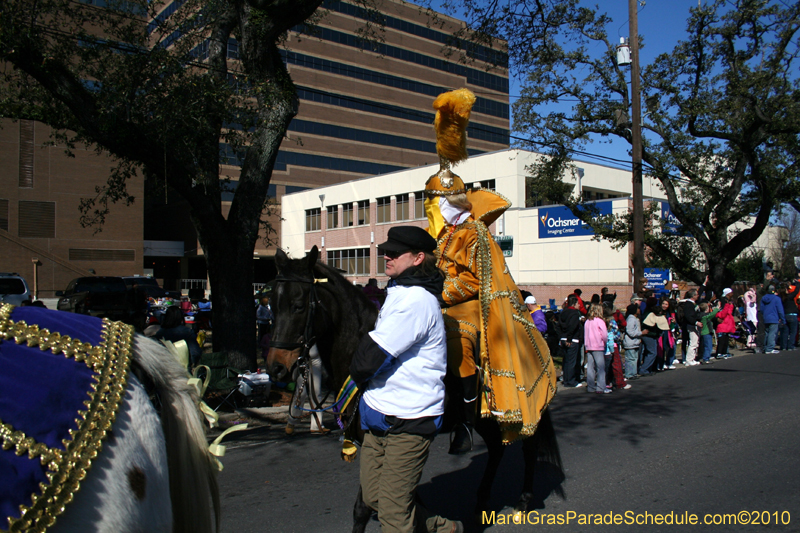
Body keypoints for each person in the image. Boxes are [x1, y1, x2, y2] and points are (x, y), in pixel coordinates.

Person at [424, 88, 556, 452]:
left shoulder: (472, 232)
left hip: (467, 303)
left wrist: (441, 293)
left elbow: (470, 278)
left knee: (457, 340)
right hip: (438, 299)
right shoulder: (438, 236)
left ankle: (465, 420)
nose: (429, 208)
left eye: (433, 202)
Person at [349, 226, 461, 533]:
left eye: (395, 252)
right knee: (374, 498)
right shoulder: (398, 292)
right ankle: (443, 528)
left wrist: (357, 370)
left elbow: (368, 359)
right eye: (387, 250)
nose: (387, 255)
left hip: (409, 419)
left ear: (417, 258)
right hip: (378, 414)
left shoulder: (416, 300)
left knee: (394, 516)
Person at [557, 295, 585, 388]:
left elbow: (559, 326)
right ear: (574, 304)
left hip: (563, 338)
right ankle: (571, 381)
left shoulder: (563, 312)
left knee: (566, 361)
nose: (579, 305)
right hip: (572, 339)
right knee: (571, 362)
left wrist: (561, 337)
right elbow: (572, 326)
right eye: (578, 303)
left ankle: (566, 379)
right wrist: (569, 338)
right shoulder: (574, 313)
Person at [584, 304, 609, 394]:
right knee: (600, 367)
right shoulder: (600, 321)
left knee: (590, 367)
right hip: (598, 346)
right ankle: (600, 387)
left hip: (588, 345)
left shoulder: (587, 321)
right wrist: (604, 342)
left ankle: (590, 387)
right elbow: (604, 334)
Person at [679, 289, 701, 365]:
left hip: (692, 325)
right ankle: (689, 360)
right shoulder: (689, 305)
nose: (698, 296)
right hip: (691, 325)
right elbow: (689, 316)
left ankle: (692, 358)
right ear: (693, 296)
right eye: (697, 294)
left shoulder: (692, 304)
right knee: (693, 343)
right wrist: (696, 322)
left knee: (695, 342)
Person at [761, 285, 785, 354]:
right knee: (772, 333)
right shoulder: (776, 298)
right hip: (774, 317)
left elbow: (762, 309)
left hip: (766, 317)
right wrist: (783, 319)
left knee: (767, 333)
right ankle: (769, 348)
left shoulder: (763, 298)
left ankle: (766, 347)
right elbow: (780, 310)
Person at [622, 304, 643, 380]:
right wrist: (641, 333)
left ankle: (633, 373)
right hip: (630, 343)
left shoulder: (635, 319)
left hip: (635, 343)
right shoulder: (631, 319)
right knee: (630, 359)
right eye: (638, 309)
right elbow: (630, 332)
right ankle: (629, 374)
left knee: (634, 359)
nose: (639, 310)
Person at [714, 288, 736, 359]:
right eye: (731, 292)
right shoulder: (723, 301)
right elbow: (722, 313)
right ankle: (720, 352)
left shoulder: (728, 301)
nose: (732, 294)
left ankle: (724, 352)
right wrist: (727, 306)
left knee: (726, 338)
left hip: (727, 322)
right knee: (722, 339)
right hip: (724, 322)